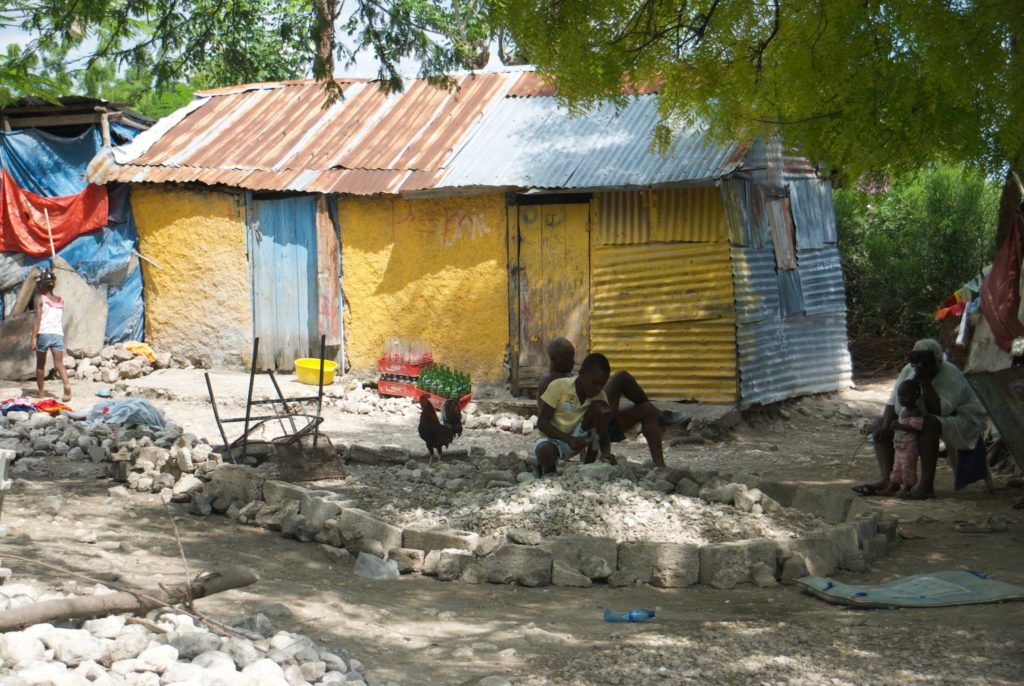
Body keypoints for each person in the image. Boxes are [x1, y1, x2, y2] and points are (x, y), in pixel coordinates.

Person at [853, 338, 986, 500]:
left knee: (928, 424)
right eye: (917, 362)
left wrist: (926, 384)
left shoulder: (950, 373)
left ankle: (926, 485)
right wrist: (886, 426)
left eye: (926, 363)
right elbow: (892, 403)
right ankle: (889, 480)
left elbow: (940, 411)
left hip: (962, 419)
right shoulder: (909, 369)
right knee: (880, 423)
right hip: (923, 416)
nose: (921, 367)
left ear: (937, 362)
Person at [538, 337, 670, 467]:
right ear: (554, 358)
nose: (572, 362)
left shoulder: (577, 382)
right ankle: (659, 416)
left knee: (647, 409)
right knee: (621, 377)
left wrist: (605, 451)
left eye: (573, 357)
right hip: (581, 432)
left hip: (597, 428)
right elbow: (549, 422)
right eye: (568, 358)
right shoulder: (553, 382)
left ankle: (661, 467)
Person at [535, 352, 614, 476]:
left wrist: (606, 453)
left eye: (602, 385)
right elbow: (542, 423)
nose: (598, 388)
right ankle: (548, 472)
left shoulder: (600, 396)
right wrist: (569, 439)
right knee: (545, 452)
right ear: (581, 374)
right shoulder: (559, 386)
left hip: (579, 439)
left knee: (601, 409)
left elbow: (603, 430)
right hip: (553, 438)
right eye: (594, 383)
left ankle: (588, 467)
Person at [30, 269, 72, 403]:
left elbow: (37, 319)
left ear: (41, 286)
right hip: (58, 334)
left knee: (40, 366)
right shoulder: (60, 300)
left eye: (38, 284)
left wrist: (33, 338)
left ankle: (41, 393)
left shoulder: (40, 299)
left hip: (44, 334)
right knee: (59, 364)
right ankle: (66, 385)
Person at [888, 379, 924, 494]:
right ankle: (894, 485)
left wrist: (898, 426)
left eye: (905, 396)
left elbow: (915, 428)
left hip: (909, 446)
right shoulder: (903, 410)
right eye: (899, 396)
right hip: (900, 445)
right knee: (897, 466)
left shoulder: (915, 412)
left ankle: (908, 488)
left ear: (915, 396)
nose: (901, 399)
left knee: (907, 467)